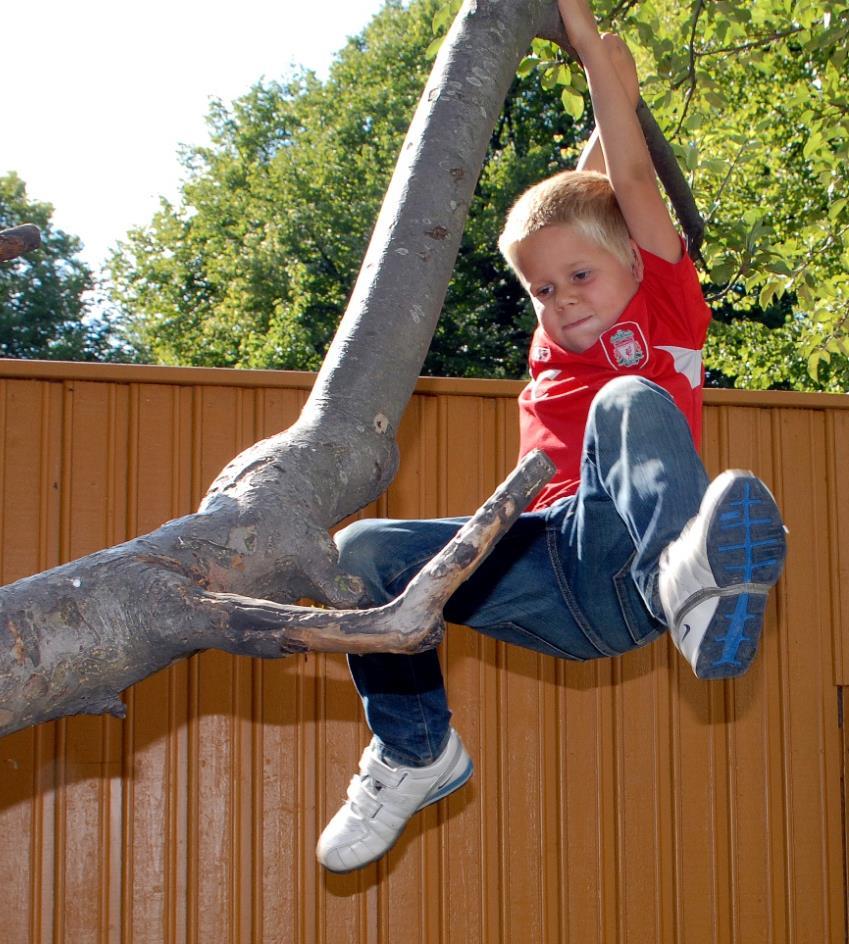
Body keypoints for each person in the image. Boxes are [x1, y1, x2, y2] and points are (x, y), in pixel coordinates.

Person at [316, 0, 787, 874]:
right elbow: (589, 194)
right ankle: (416, 749)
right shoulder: (554, 336)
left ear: (637, 263)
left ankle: (686, 579)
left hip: (627, 557)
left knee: (627, 401)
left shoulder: (665, 308)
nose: (561, 298)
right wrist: (607, 85)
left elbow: (630, 188)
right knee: (362, 550)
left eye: (579, 276)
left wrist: (582, 34)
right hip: (543, 570)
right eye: (540, 289)